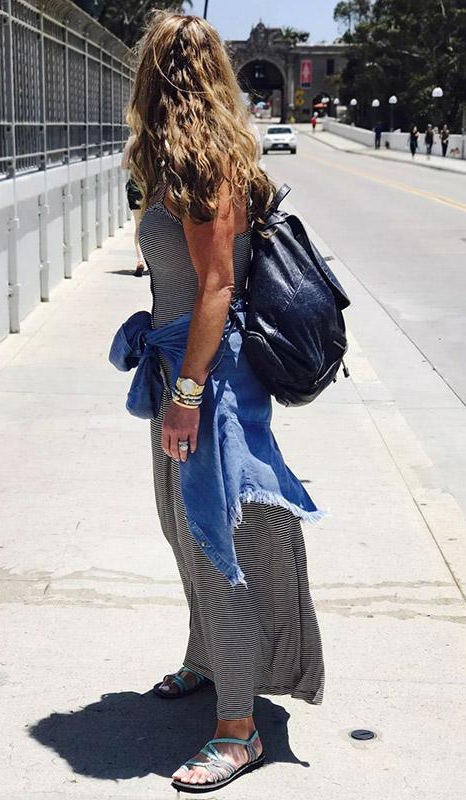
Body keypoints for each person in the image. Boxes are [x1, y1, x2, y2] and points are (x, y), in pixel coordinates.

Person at [119, 11, 324, 793]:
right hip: (179, 370)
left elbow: (215, 287)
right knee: (182, 530)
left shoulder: (205, 164)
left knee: (219, 542)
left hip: (211, 385)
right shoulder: (172, 160)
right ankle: (207, 659)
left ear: (157, 73)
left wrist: (188, 396)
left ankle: (239, 729)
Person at [121, 136, 145, 276]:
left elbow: (124, 166)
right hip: (153, 189)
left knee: (138, 226)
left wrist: (135, 165)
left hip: (135, 187)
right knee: (154, 224)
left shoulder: (132, 140)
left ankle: (140, 260)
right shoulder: (159, 138)